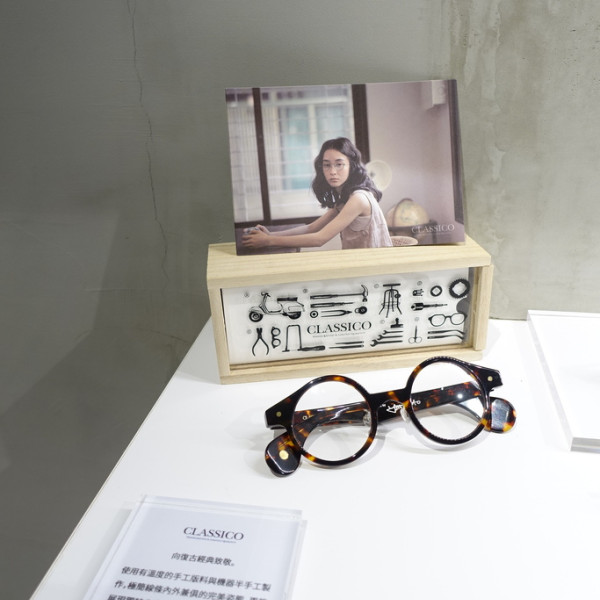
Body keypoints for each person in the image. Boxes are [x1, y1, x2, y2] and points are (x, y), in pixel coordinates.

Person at [242, 137, 393, 250]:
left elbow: (319, 239)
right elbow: (312, 228)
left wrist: (268, 241)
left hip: (374, 271)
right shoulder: (345, 199)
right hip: (358, 266)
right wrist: (270, 235)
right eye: (327, 165)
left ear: (351, 167)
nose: (332, 171)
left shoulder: (358, 199)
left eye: (339, 164)